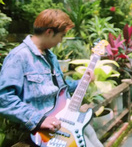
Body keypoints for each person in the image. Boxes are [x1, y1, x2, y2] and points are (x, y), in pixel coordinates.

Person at [0, 9, 103, 147]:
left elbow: (59, 88)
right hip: (45, 131)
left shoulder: (50, 56)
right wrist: (38, 120)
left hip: (64, 120)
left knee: (95, 141)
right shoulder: (18, 57)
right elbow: (4, 98)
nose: (61, 41)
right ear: (49, 32)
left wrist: (83, 81)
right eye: (61, 36)